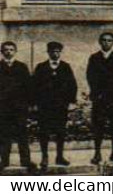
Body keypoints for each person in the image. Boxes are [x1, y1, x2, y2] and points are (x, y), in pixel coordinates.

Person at [85, 32, 113, 165]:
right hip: (99, 98)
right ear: (99, 42)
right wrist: (98, 92)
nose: (106, 43)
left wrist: (111, 89)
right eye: (104, 40)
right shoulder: (94, 58)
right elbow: (90, 76)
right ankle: (97, 154)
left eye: (109, 41)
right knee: (98, 126)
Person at [31, 43, 75, 168]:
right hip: (45, 106)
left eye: (57, 51)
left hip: (61, 106)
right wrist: (34, 103)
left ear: (60, 52)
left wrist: (71, 102)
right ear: (48, 52)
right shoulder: (41, 67)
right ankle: (45, 157)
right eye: (52, 51)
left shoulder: (66, 67)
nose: (55, 54)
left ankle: (59, 157)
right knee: (44, 131)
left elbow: (72, 85)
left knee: (60, 132)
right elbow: (33, 86)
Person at [0, 42, 33, 173]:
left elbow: (28, 87)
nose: (8, 52)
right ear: (1, 51)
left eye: (11, 49)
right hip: (3, 107)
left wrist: (29, 104)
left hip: (19, 107)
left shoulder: (22, 67)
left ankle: (26, 161)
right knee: (4, 135)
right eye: (6, 50)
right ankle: (4, 161)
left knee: (22, 135)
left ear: (15, 51)